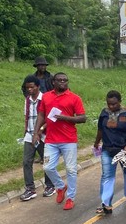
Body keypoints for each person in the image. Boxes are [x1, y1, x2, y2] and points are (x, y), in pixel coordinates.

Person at [33, 72, 86, 210]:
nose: (63, 82)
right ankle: (61, 187)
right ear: (53, 82)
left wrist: (65, 118)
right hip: (50, 139)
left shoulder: (74, 98)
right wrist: (36, 132)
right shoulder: (46, 96)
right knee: (47, 167)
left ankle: (70, 198)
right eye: (60, 80)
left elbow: (82, 118)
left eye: (65, 80)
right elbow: (41, 114)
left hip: (69, 140)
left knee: (71, 170)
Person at [93, 91, 126, 214]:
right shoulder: (104, 113)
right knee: (107, 175)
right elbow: (100, 129)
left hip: (124, 149)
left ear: (119, 101)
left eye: (114, 104)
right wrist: (96, 142)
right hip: (108, 149)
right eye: (109, 104)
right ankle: (106, 203)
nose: (111, 106)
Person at [19, 75, 55, 201]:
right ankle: (30, 188)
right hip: (30, 134)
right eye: (27, 87)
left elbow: (50, 117)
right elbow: (27, 116)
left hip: (43, 135)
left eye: (32, 87)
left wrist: (40, 130)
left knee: (46, 161)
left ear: (38, 87)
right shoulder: (27, 100)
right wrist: (25, 131)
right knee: (26, 161)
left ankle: (50, 186)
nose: (29, 90)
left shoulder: (45, 98)